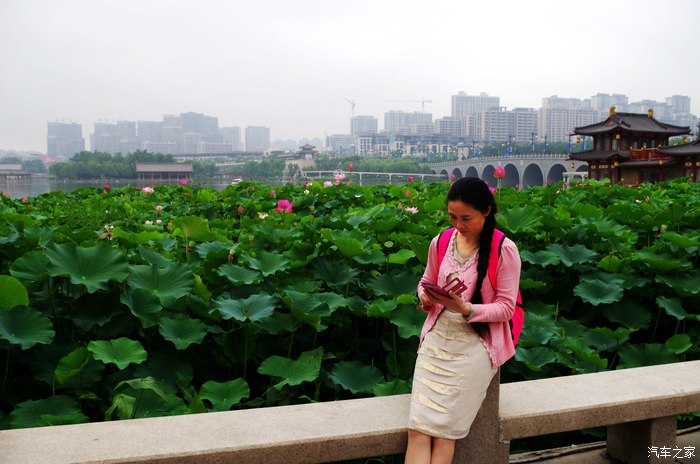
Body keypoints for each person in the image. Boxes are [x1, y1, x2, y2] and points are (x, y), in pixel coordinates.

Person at [405, 177, 521, 464]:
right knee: (417, 430)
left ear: (487, 211)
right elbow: (425, 279)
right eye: (452, 217)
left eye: (466, 218)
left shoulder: (504, 249)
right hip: (436, 342)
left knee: (444, 435)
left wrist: (466, 309)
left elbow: (506, 308)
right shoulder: (441, 241)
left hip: (475, 346)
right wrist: (425, 295)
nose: (458, 225)